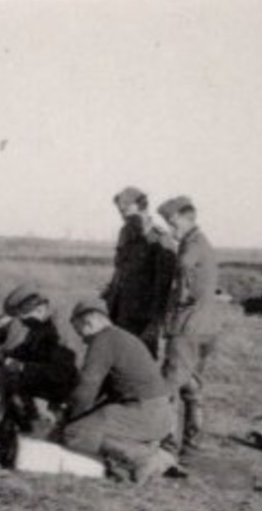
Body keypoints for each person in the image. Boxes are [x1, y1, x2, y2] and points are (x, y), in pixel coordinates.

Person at [61, 297, 176, 481]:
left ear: (88, 322)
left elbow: (87, 387)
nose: (82, 340)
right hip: (160, 414)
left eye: (79, 331)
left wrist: (71, 418)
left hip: (144, 412)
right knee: (92, 426)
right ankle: (152, 454)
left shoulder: (103, 340)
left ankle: (145, 458)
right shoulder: (121, 337)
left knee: (74, 434)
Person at [156, 195, 221, 454]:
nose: (172, 230)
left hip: (187, 328)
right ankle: (192, 448)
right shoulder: (203, 244)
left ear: (187, 218)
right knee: (192, 388)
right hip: (207, 328)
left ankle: (167, 447)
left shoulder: (190, 246)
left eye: (173, 223)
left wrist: (175, 299)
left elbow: (183, 274)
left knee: (167, 389)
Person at [0, 283, 79, 434]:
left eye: (26, 318)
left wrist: (22, 367)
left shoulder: (59, 333)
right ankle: (18, 427)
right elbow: (26, 351)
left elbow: (62, 373)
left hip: (58, 393)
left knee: (12, 380)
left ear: (40, 309)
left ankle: (34, 429)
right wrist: (4, 355)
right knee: (3, 373)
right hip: (43, 384)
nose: (25, 324)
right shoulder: (39, 328)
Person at [100, 185, 176, 357]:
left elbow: (163, 286)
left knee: (141, 362)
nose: (122, 214)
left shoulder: (159, 239)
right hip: (119, 312)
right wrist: (110, 290)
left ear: (142, 206)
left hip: (142, 319)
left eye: (126, 210)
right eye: (120, 211)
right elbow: (121, 269)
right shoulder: (125, 233)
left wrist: (155, 322)